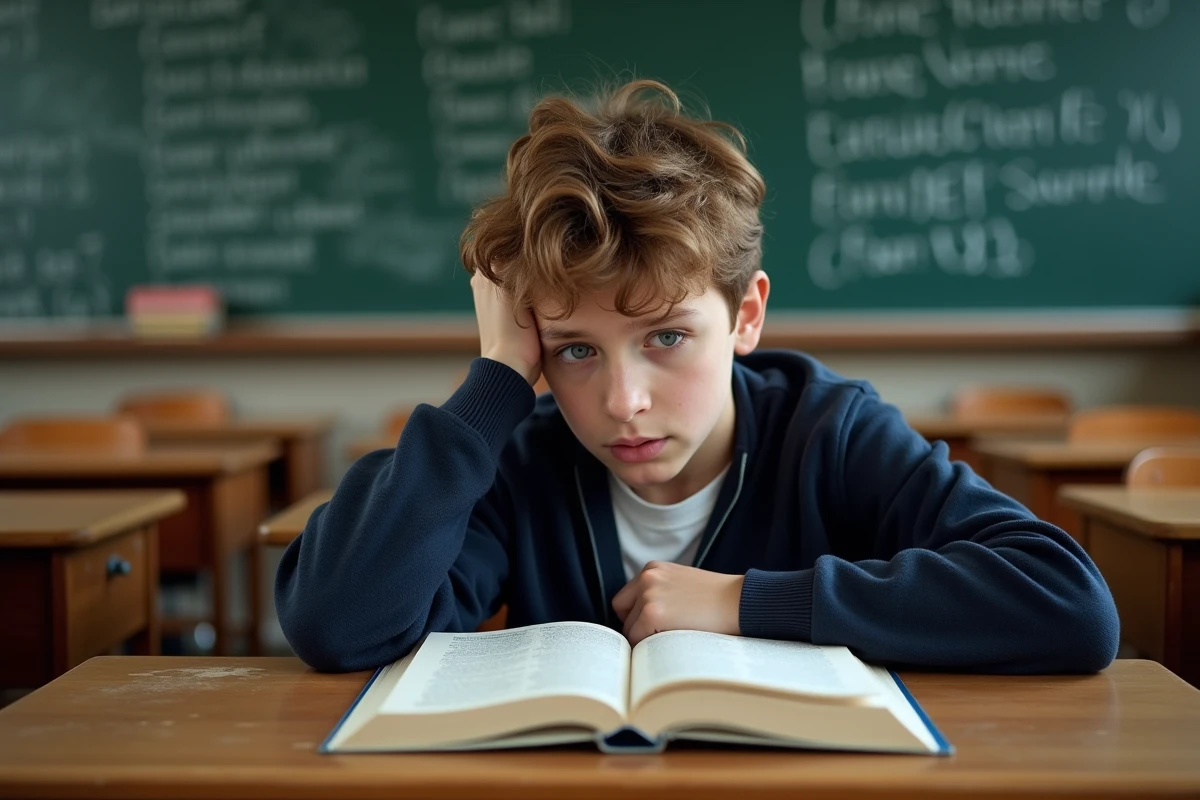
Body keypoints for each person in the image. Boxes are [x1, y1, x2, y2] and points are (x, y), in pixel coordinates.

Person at [276, 79, 1118, 673]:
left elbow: (1068, 605)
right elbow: (336, 624)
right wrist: (497, 379)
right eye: (574, 350)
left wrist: (747, 603)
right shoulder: (520, 461)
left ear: (746, 316)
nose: (622, 401)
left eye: (668, 338)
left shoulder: (830, 431)